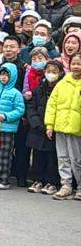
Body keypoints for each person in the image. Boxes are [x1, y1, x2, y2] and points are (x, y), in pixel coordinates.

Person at [45, 53, 81, 200]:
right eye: (74, 64)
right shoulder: (62, 83)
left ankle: (80, 187)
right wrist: (49, 125)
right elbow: (52, 105)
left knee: (77, 159)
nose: (76, 66)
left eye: (79, 64)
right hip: (60, 127)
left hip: (76, 128)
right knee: (63, 157)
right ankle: (66, 185)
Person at [26, 60, 61, 194]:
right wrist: (37, 124)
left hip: (53, 128)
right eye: (48, 71)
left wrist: (51, 125)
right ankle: (37, 180)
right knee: (38, 155)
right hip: (38, 128)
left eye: (54, 72)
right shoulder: (39, 88)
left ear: (60, 73)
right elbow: (31, 107)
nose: (50, 74)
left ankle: (52, 182)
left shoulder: (61, 88)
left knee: (52, 157)